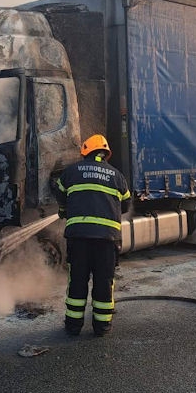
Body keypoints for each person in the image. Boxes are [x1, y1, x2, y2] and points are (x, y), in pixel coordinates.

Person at [55, 134, 131, 337]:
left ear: (86, 151)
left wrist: (65, 209)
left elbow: (60, 193)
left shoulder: (71, 171)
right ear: (106, 154)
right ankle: (102, 327)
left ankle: (73, 326)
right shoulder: (117, 176)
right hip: (107, 240)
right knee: (104, 282)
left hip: (78, 238)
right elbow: (125, 205)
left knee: (77, 280)